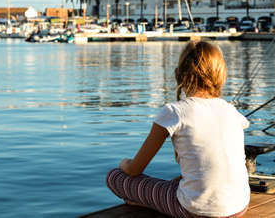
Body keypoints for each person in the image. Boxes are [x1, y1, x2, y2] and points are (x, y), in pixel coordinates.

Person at [106, 41, 250, 218]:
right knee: (176, 182)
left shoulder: (174, 112)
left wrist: (123, 163)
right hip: (239, 206)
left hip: (194, 211)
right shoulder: (231, 111)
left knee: (114, 177)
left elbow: (135, 169)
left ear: (180, 74)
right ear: (221, 74)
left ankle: (146, 202)